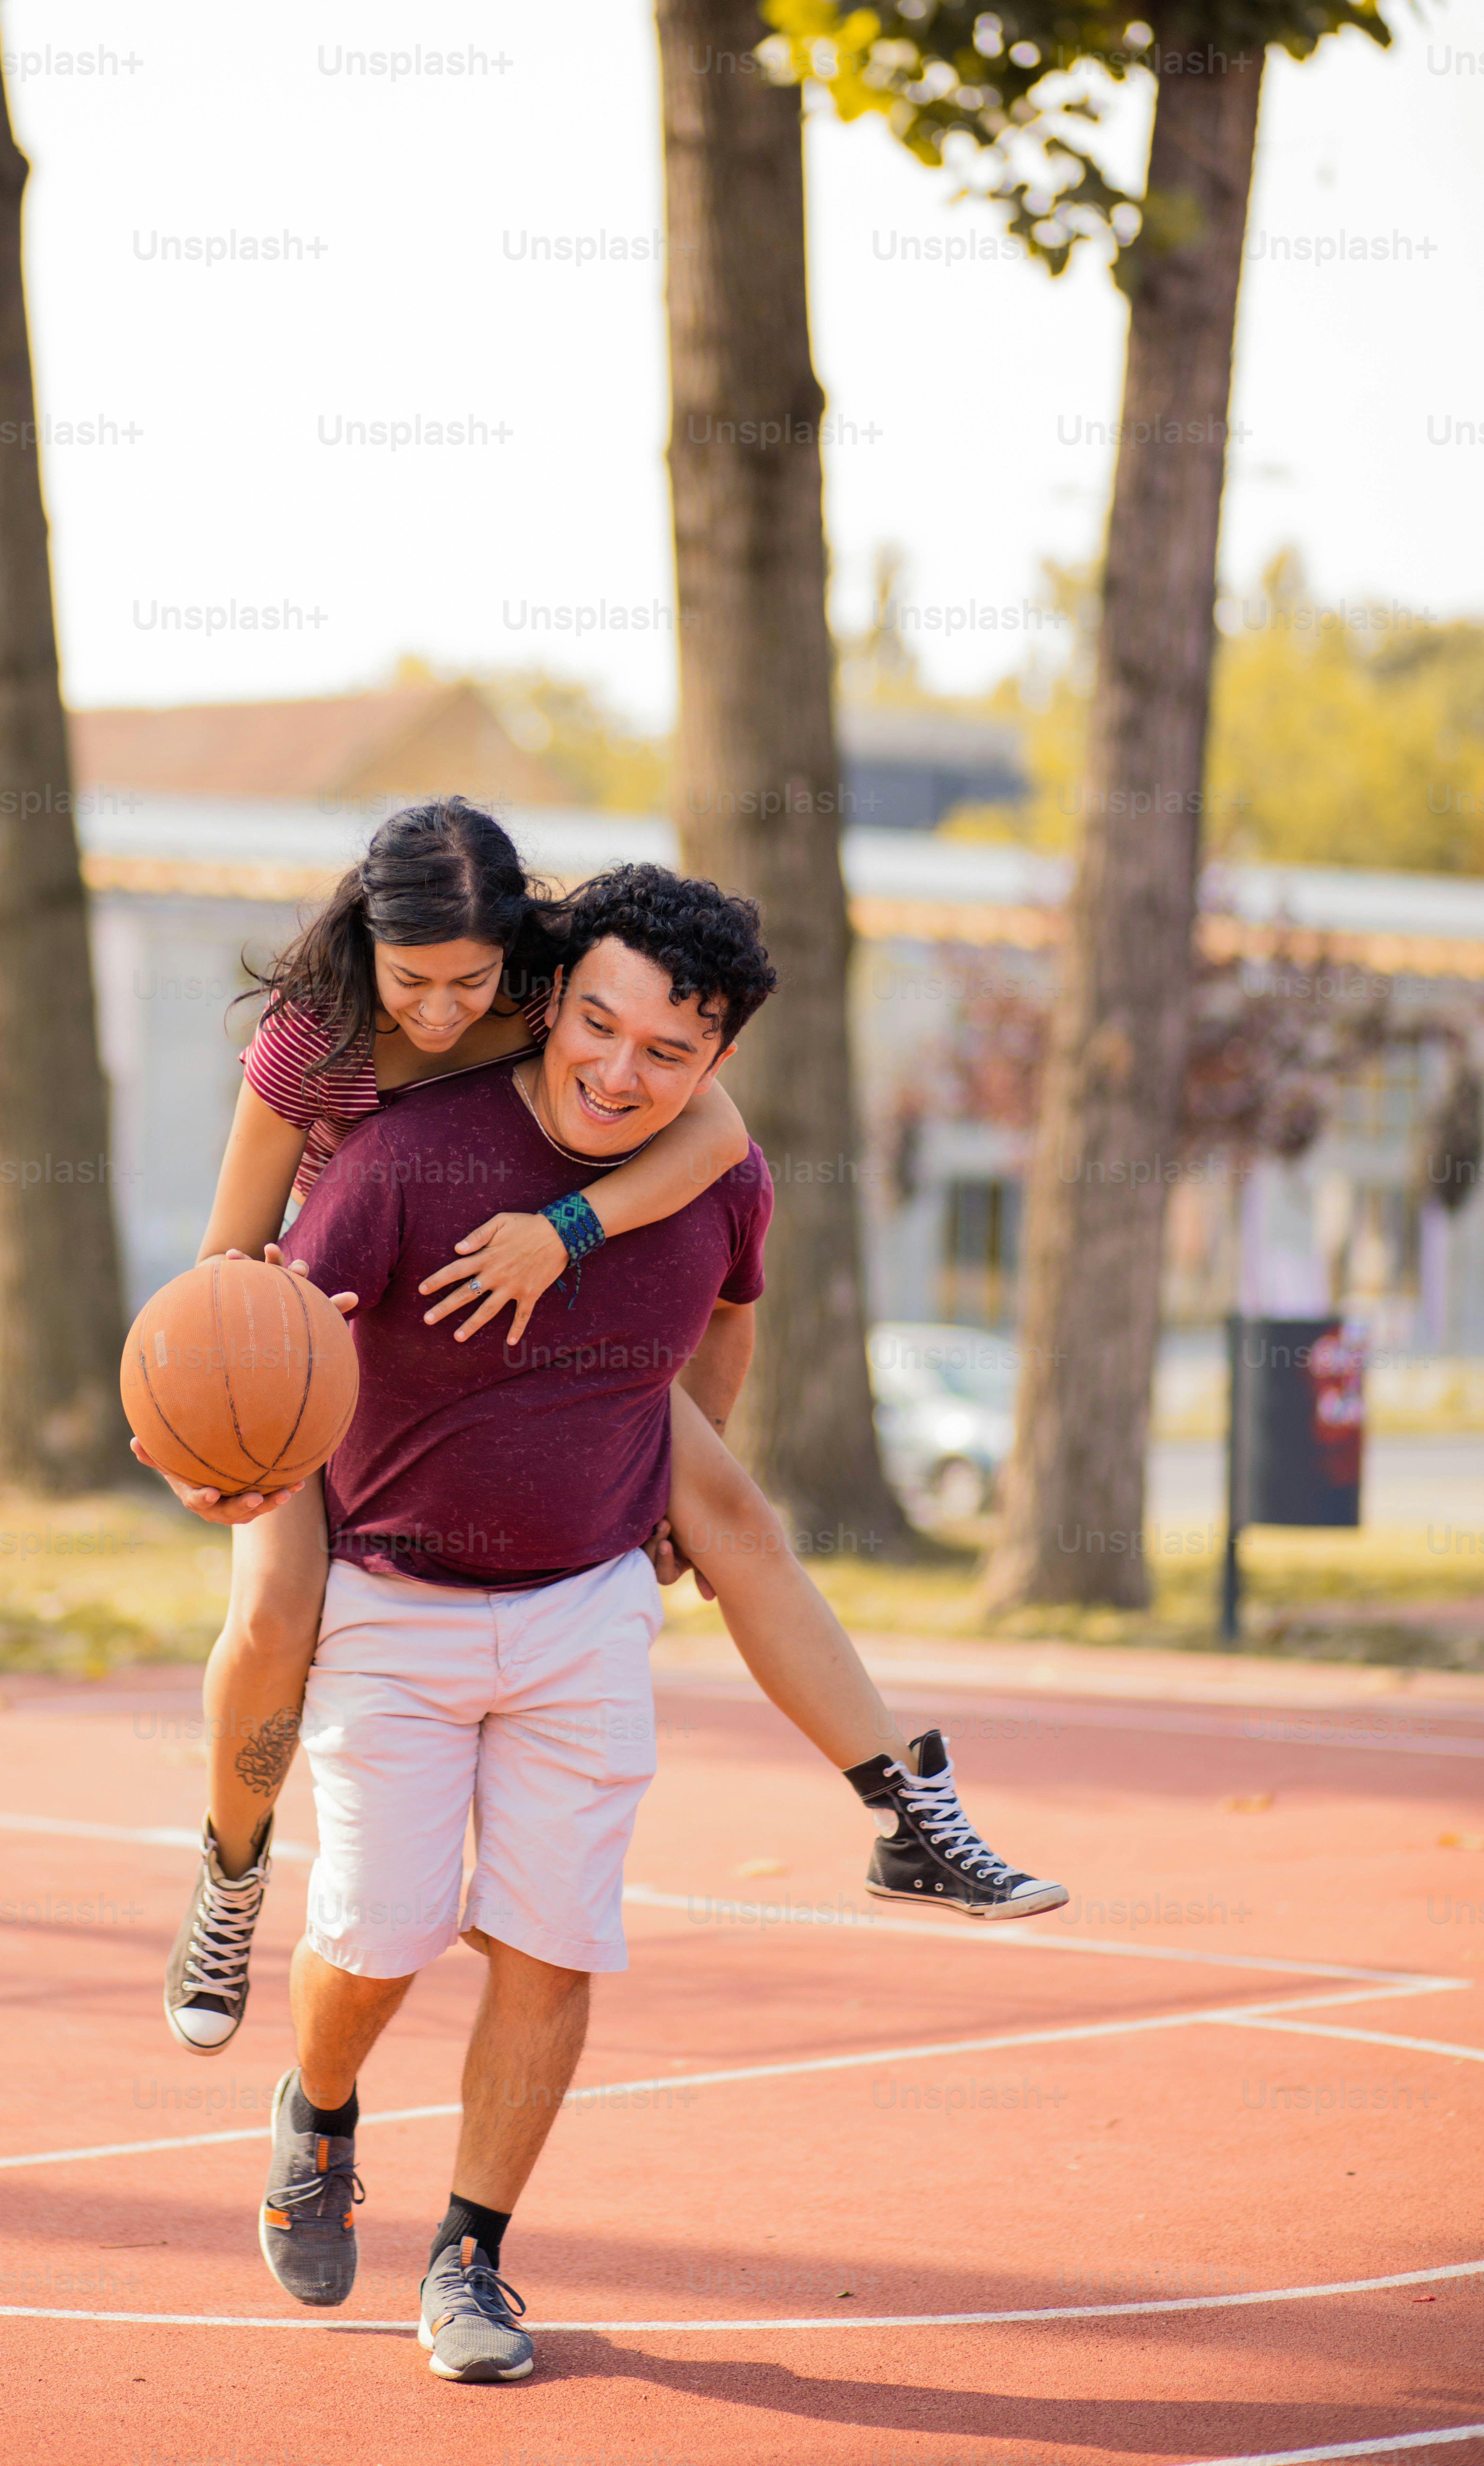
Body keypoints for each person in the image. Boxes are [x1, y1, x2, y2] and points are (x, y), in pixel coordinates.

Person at [146, 804, 1064, 2068]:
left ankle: (907, 1807)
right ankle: (231, 1876)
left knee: (738, 1517)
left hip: (554, 1301)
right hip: (347, 1329)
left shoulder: (560, 999)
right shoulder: (313, 1044)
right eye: (413, 980)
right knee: (271, 1618)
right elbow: (224, 1257)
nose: (441, 1012)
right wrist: (224, 1416)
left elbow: (718, 1130)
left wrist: (570, 1229)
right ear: (367, 945)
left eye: (472, 980)